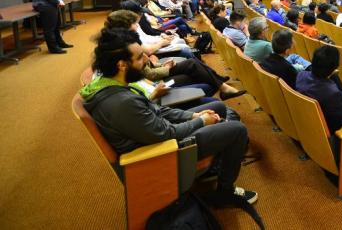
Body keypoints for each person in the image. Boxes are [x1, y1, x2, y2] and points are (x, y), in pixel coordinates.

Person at [81, 28, 257, 203]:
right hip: (160, 153)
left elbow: (158, 111)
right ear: (122, 65)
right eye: (140, 57)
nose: (146, 61)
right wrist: (202, 121)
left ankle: (213, 166)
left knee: (217, 106)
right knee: (238, 130)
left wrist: (194, 116)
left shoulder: (114, 84)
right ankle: (225, 193)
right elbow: (167, 133)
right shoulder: (122, 102)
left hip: (157, 135)